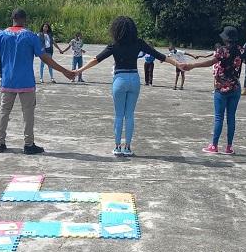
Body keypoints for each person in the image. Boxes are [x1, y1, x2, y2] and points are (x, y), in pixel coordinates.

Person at [74, 16, 181, 157]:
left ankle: (118, 147)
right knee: (129, 115)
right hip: (134, 79)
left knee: (119, 115)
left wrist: (78, 71)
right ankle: (128, 147)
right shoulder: (139, 43)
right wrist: (177, 64)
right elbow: (159, 55)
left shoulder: (114, 45)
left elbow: (96, 59)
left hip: (119, 79)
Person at [0, 9, 75, 154]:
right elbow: (44, 57)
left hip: (7, 81)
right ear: (24, 20)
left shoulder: (1, 35)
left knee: (4, 111)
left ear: (12, 18)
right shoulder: (31, 36)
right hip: (26, 81)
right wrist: (64, 71)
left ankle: (0, 142)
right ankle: (28, 144)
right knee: (28, 114)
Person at [180, 26, 246, 155]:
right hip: (235, 88)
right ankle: (229, 147)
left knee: (219, 117)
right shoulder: (241, 50)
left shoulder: (222, 50)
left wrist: (192, 66)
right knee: (231, 118)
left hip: (221, 88)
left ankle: (214, 146)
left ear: (225, 39)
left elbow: (210, 62)